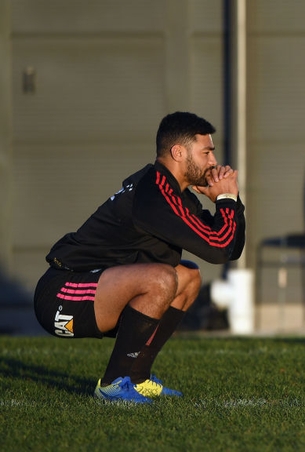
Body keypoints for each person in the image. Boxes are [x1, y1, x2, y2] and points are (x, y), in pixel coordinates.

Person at [34, 111, 246, 404]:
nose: (213, 161)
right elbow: (219, 249)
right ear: (179, 152)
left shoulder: (175, 194)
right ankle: (111, 384)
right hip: (61, 295)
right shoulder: (155, 195)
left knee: (188, 277)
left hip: (98, 290)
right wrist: (225, 200)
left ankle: (137, 377)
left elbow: (229, 248)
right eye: (206, 152)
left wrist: (231, 202)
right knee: (162, 278)